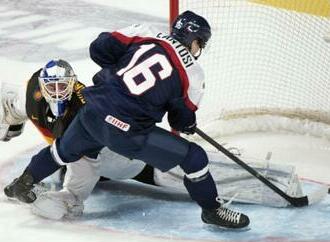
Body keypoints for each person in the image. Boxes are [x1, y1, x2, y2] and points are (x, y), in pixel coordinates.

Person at [3, 11, 250, 229]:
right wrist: (185, 121)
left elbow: (99, 48)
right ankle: (212, 210)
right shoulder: (194, 74)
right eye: (200, 44)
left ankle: (23, 183)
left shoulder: (145, 32)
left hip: (92, 111)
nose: (198, 50)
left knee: (61, 151)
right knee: (195, 158)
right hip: (127, 133)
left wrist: (117, 76)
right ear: (195, 41)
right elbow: (180, 121)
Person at [1, 59, 148, 219]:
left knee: (65, 204)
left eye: (62, 86)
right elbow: (8, 103)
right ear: (42, 85)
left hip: (118, 158)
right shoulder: (30, 92)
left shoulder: (86, 110)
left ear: (72, 84)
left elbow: (85, 161)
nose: (57, 92)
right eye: (51, 86)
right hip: (79, 153)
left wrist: (69, 198)